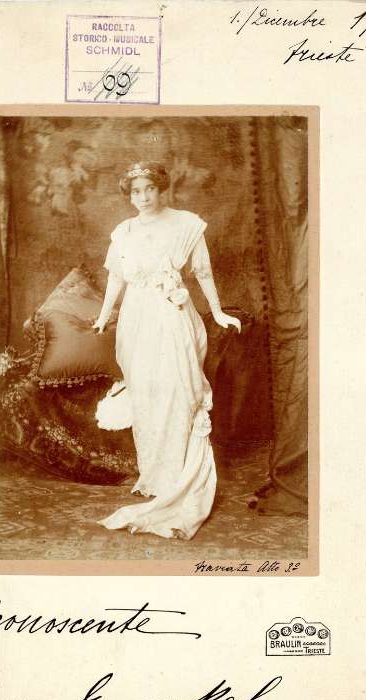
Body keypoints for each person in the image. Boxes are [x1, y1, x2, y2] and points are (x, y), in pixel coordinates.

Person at [93, 161, 240, 540]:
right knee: (147, 393)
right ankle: (155, 476)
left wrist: (218, 312)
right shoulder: (123, 232)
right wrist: (103, 316)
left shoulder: (186, 225)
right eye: (136, 192)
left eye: (149, 189)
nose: (143, 197)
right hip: (135, 321)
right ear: (129, 196)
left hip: (171, 315)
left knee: (178, 389)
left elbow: (202, 271)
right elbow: (116, 279)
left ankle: (179, 475)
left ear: (161, 190)